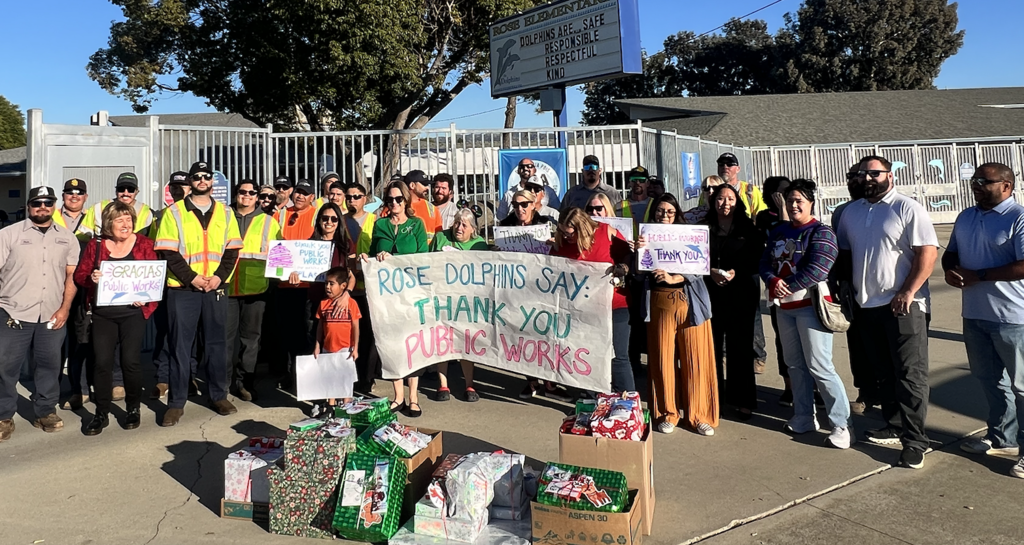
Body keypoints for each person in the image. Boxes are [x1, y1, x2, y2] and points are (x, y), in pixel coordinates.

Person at [836, 155, 938, 469]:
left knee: (910, 374)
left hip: (903, 307)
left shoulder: (907, 208)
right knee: (884, 373)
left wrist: (907, 291)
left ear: (889, 176)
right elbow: (845, 257)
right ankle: (894, 423)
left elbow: (927, 253)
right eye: (862, 173)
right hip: (866, 307)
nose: (867, 178)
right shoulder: (851, 213)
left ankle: (915, 441)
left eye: (874, 173)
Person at [943, 162, 1024, 478]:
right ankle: (1002, 437)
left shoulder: (1018, 217)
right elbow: (952, 253)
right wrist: (952, 271)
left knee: (1022, 386)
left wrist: (978, 275)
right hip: (974, 315)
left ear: (1006, 185)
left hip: (1013, 318)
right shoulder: (967, 216)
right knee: (990, 380)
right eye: (973, 180)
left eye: (984, 181)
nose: (976, 185)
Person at [760, 179, 851, 449]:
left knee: (820, 367)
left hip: (811, 308)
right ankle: (803, 415)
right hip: (784, 310)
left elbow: (819, 268)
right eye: (790, 200)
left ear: (811, 202)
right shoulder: (779, 231)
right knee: (795, 365)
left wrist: (786, 286)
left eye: (800, 200)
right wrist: (771, 280)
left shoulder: (821, 232)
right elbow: (765, 261)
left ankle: (842, 424)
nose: (794, 205)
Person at [155, 161, 243, 427]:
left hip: (216, 286)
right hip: (183, 289)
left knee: (217, 345)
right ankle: (176, 403)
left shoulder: (226, 213)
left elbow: (232, 249)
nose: (202, 180)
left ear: (212, 181)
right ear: (190, 181)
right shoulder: (175, 212)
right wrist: (192, 278)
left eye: (207, 176)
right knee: (180, 347)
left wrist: (217, 278)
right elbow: (167, 251)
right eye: (197, 177)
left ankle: (218, 395)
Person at [0, 186, 80, 440]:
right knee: (6, 367)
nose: (42, 207)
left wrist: (65, 308)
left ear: (54, 205)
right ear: (28, 206)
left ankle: (45, 411)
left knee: (49, 365)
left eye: (47, 202)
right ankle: (3, 416)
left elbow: (71, 277)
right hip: (14, 313)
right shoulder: (8, 235)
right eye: (37, 203)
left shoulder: (67, 238)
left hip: (51, 315)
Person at [74, 201, 159, 435]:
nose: (125, 224)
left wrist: (147, 298)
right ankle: (101, 412)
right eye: (120, 220)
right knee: (102, 363)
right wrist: (92, 278)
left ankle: (133, 407)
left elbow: (154, 278)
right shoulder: (96, 245)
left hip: (133, 312)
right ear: (108, 224)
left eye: (129, 219)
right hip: (104, 313)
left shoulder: (145, 244)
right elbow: (80, 276)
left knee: (130, 361)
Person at [638, 193, 718, 436]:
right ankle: (666, 413)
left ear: (677, 215)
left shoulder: (689, 235)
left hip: (690, 302)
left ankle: (698, 415)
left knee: (696, 359)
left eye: (670, 212)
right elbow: (638, 273)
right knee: (662, 360)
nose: (664, 216)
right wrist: (638, 252)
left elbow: (700, 267)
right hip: (659, 301)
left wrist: (677, 277)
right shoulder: (646, 236)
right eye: (660, 211)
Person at [550, 208, 633, 393]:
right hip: (583, 309)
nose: (566, 237)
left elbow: (627, 255)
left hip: (615, 304)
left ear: (582, 228)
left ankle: (627, 402)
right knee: (588, 354)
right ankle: (591, 400)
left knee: (618, 356)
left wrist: (623, 267)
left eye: (569, 233)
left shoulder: (606, 232)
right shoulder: (560, 244)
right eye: (562, 232)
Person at [367, 180, 429, 417]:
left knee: (412, 343)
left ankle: (413, 396)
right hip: (388, 296)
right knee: (392, 342)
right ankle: (398, 395)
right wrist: (373, 257)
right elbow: (374, 254)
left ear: (406, 200)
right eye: (390, 199)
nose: (394, 203)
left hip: (410, 294)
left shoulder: (416, 224)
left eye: (398, 199)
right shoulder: (380, 224)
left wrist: (397, 259)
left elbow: (423, 257)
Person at [704, 184, 764, 420]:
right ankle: (713, 397)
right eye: (720, 198)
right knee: (712, 346)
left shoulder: (747, 228)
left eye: (730, 198)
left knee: (741, 347)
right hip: (711, 293)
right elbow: (693, 257)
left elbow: (757, 256)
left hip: (741, 293)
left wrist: (736, 271)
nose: (725, 203)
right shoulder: (703, 228)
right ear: (713, 201)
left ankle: (744, 400)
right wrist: (710, 271)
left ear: (737, 202)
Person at [227, 179, 282, 402]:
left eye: (251, 192)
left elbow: (279, 257)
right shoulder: (223, 217)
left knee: (250, 341)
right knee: (225, 340)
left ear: (257, 196)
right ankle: (224, 382)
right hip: (227, 287)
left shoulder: (269, 222)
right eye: (242, 192)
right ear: (236, 194)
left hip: (256, 289)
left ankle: (244, 382)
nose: (247, 196)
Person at [429, 207, 488, 402]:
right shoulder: (441, 238)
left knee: (466, 342)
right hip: (443, 298)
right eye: (456, 222)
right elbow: (427, 262)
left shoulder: (480, 245)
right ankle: (443, 385)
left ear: (473, 229)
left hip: (467, 302)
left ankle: (469, 384)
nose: (459, 227)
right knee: (442, 340)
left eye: (464, 225)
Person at [831, 165, 876, 415]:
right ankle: (866, 392)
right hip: (852, 288)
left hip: (886, 292)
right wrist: (838, 284)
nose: (856, 181)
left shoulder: (892, 208)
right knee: (858, 343)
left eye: (860, 176)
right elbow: (838, 251)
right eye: (851, 177)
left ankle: (890, 394)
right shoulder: (842, 212)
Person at [149, 170, 195, 401]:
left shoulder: (198, 214)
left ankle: (189, 377)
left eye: (183, 186)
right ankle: (163, 377)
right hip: (164, 283)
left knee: (191, 334)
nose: (178, 190)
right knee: (165, 333)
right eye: (174, 187)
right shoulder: (160, 216)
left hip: (190, 282)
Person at [274, 178, 319, 389]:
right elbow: (274, 247)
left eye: (305, 193)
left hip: (309, 287)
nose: (300, 195)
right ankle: (290, 375)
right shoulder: (280, 215)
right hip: (284, 285)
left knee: (308, 334)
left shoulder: (318, 215)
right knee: (287, 333)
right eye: (298, 192)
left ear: (312, 197)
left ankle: (307, 377)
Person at [53, 178, 93, 411]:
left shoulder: (94, 220)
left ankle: (80, 390)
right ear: (63, 196)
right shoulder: (51, 217)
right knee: (53, 343)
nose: (74, 196)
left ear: (86, 196)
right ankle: (49, 390)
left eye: (79, 193)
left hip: (84, 289)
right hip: (54, 288)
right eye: (69, 193)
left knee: (81, 341)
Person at [754, 176, 792, 395]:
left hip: (798, 284)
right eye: (782, 192)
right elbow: (782, 234)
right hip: (776, 282)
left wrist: (787, 209)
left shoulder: (797, 213)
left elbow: (795, 235)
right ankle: (789, 385)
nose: (787, 197)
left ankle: (810, 385)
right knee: (783, 336)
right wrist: (781, 210)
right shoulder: (764, 217)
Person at [343, 183, 378, 392]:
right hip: (346, 287)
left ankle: (366, 379)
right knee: (346, 335)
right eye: (349, 197)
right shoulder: (338, 221)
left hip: (369, 287)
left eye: (357, 196)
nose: (352, 200)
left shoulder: (375, 221)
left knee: (368, 336)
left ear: (365, 198)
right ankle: (347, 376)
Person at [313, 265, 361, 410]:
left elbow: (356, 327)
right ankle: (330, 406)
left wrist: (356, 348)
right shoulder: (323, 304)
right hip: (328, 347)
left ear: (343, 286)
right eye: (326, 283)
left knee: (345, 379)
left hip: (346, 348)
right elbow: (320, 326)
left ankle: (346, 406)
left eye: (331, 284)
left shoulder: (351, 304)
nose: (327, 287)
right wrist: (317, 346)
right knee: (330, 378)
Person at [83, 172, 155, 238]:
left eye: (130, 189)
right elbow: (82, 237)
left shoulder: (147, 212)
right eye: (121, 189)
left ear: (137, 191)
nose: (125, 193)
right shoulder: (98, 208)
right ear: (116, 190)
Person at [713, 153, 767, 217]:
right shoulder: (710, 190)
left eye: (730, 164)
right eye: (721, 164)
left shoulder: (750, 190)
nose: (725, 167)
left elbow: (762, 216)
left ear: (738, 169)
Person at [400, 170, 442, 245]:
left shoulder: (432, 209)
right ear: (412, 185)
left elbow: (439, 237)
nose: (427, 188)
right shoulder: (399, 207)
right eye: (424, 184)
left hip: (430, 255)